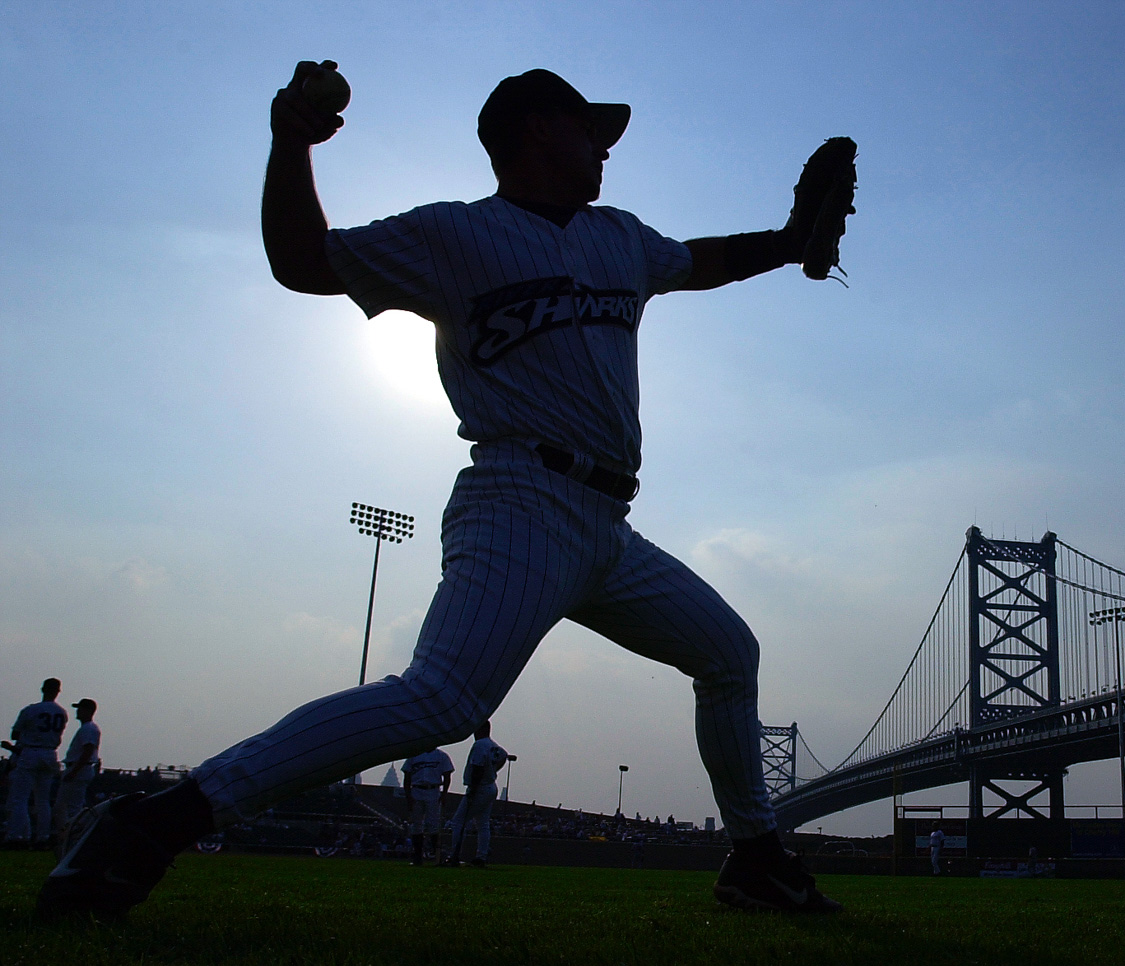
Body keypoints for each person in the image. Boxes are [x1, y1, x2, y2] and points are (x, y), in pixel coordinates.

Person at [39, 63, 850, 919]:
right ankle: (157, 819)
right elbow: (303, 261)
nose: (604, 149)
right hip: (519, 501)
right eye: (590, 131)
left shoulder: (619, 235)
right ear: (538, 130)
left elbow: (704, 261)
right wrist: (291, 143)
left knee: (728, 653)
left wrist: (790, 238)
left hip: (608, 525)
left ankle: (756, 857)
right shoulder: (453, 235)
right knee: (443, 700)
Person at [7, 679, 68, 848]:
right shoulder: (62, 713)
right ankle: (43, 836)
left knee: (20, 798)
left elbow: (15, 734)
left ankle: (18, 835)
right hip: (50, 753)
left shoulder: (31, 710)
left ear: (42, 689)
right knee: (43, 800)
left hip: (31, 751)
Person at [442, 722, 508, 867]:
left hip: (480, 787)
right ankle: (481, 856)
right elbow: (504, 755)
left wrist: (473, 789)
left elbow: (477, 767)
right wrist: (493, 771)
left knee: (459, 821)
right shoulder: (494, 746)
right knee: (483, 823)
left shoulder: (479, 745)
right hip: (490, 785)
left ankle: (455, 855)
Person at [51, 699, 102, 844]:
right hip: (80, 768)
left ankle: (74, 836)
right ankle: (70, 835)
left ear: (88, 710)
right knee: (65, 806)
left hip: (79, 768)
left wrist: (74, 771)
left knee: (72, 807)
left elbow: (87, 751)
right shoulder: (88, 728)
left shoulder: (88, 728)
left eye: (80, 709)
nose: (78, 711)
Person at [401, 746, 454, 866]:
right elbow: (407, 776)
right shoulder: (414, 755)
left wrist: (445, 793)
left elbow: (447, 776)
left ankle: (437, 856)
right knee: (416, 825)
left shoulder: (442, 756)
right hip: (416, 790)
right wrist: (408, 796)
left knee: (433, 825)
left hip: (433, 790)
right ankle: (417, 857)